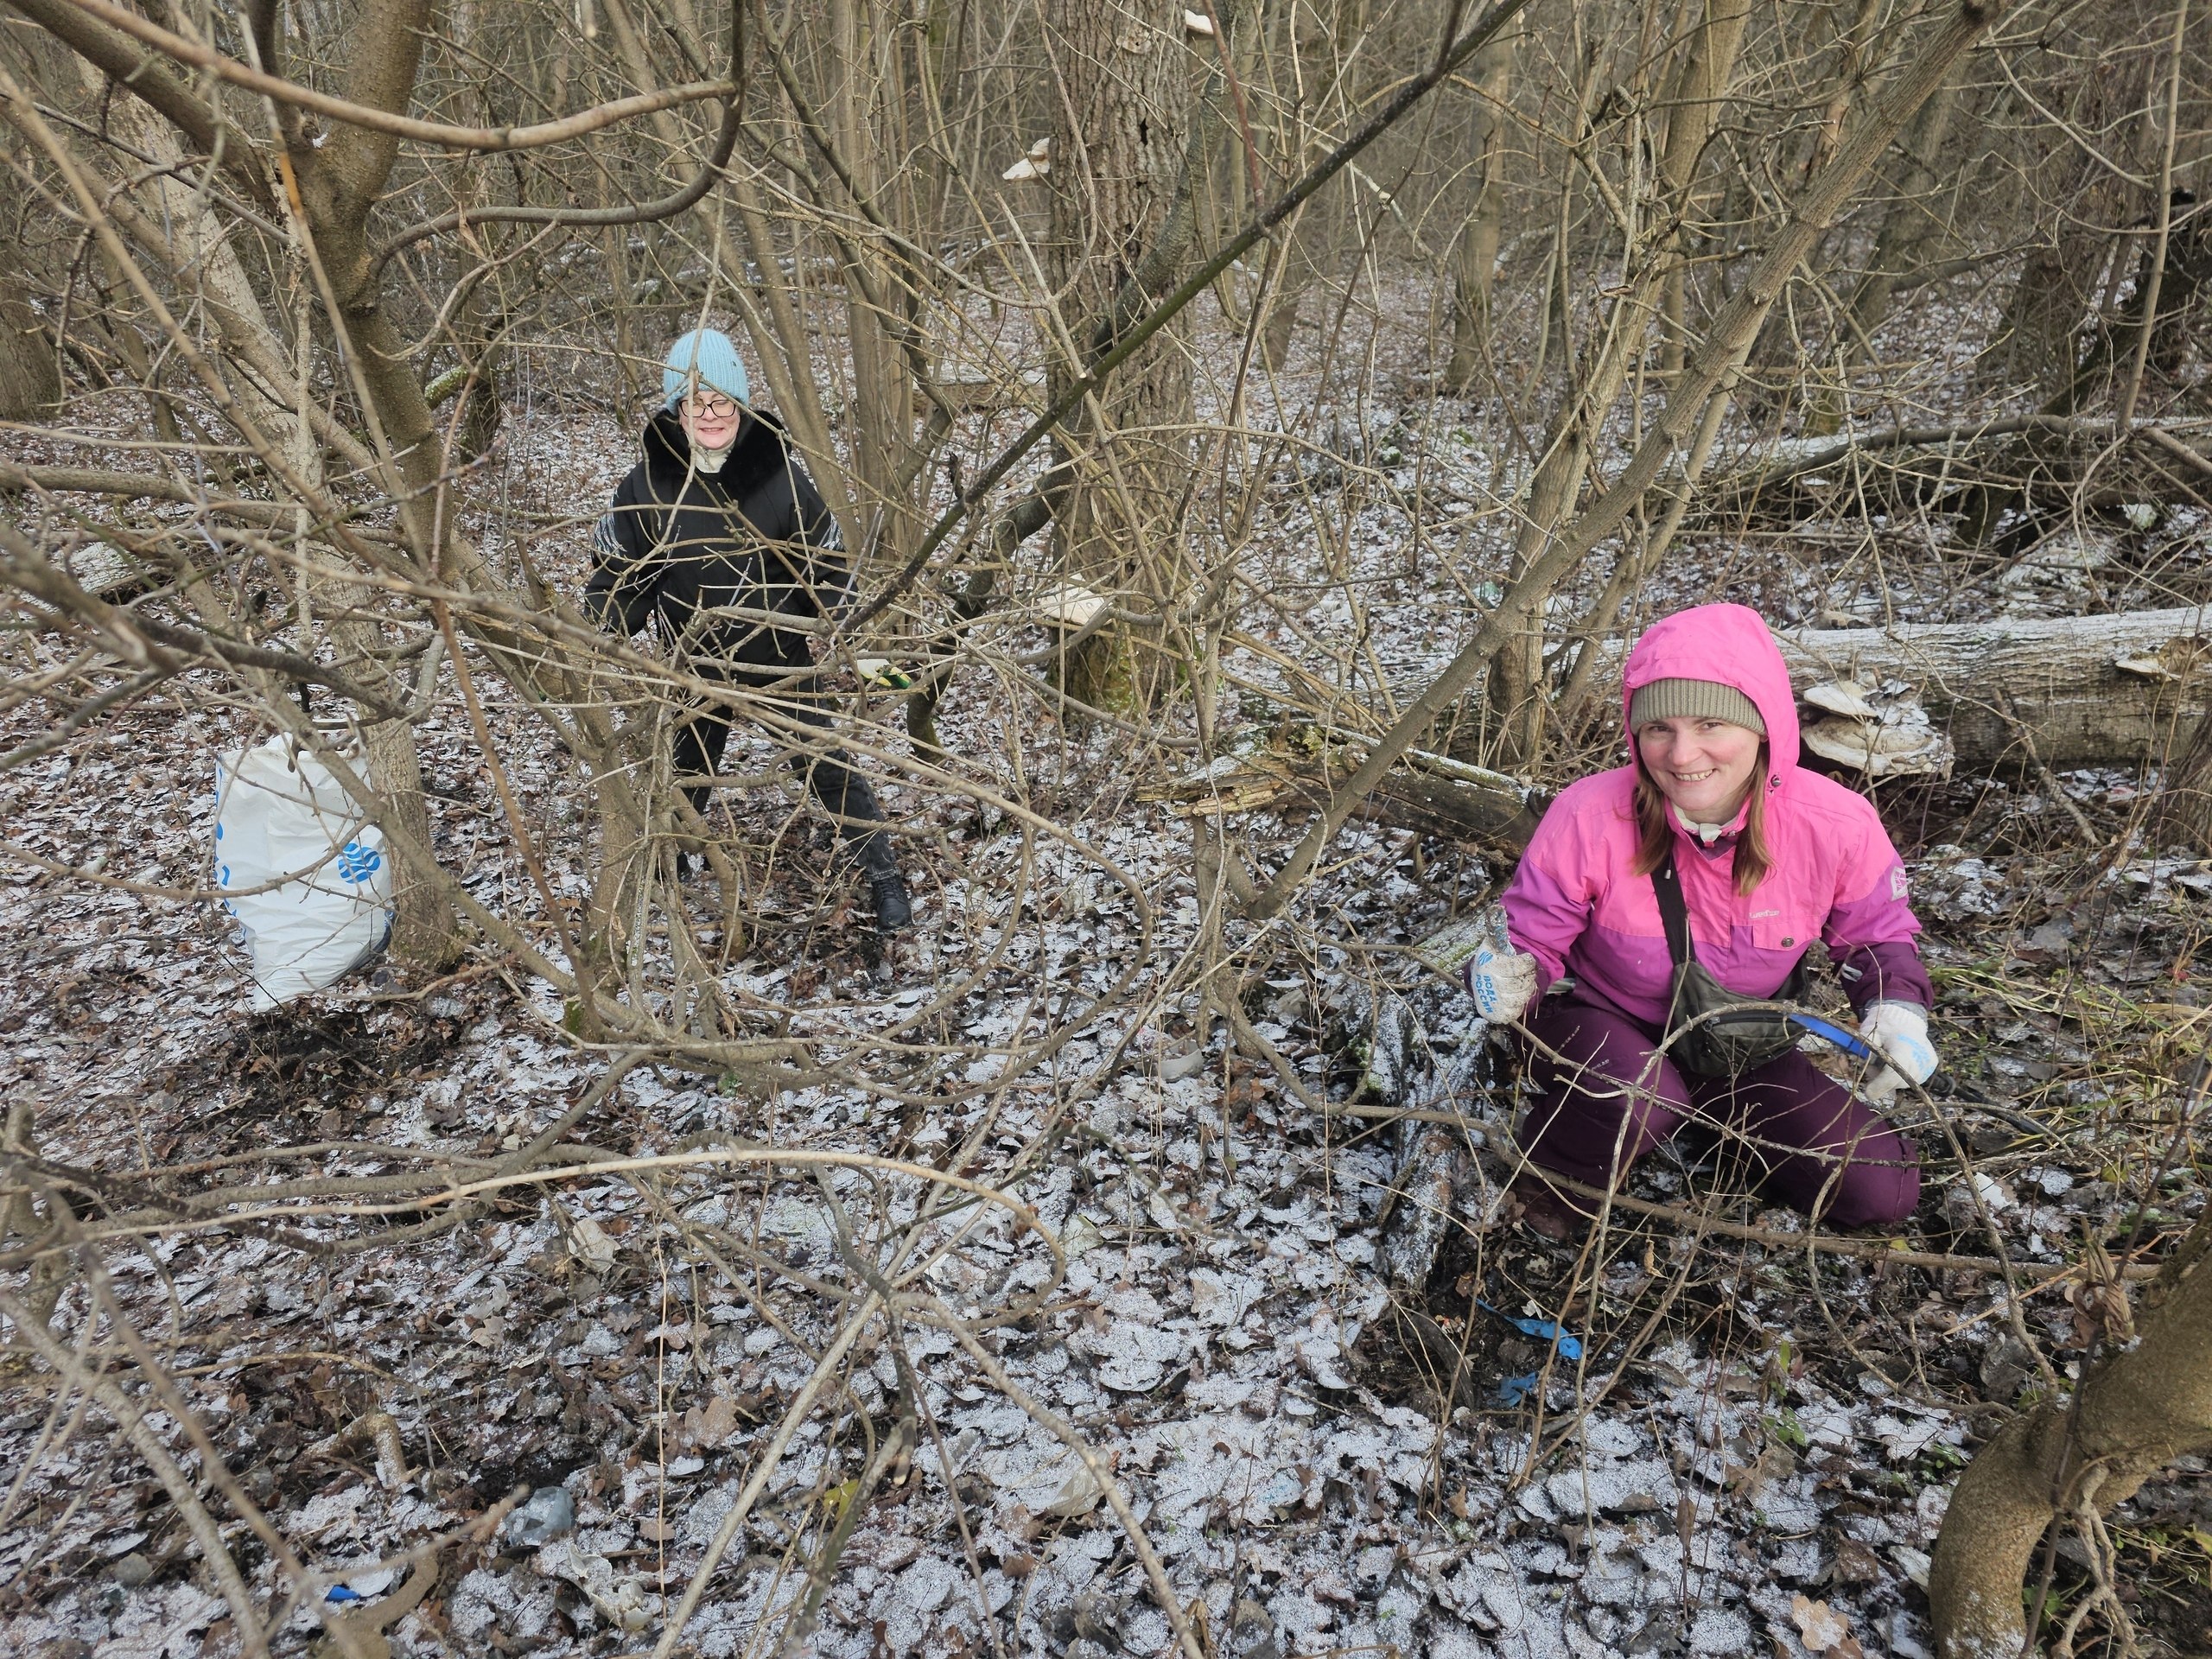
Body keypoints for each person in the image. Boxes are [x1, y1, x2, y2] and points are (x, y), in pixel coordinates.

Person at [1463, 603, 1936, 1238]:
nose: (1683, 755)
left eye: (1711, 723)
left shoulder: (1835, 824)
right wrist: (1512, 973)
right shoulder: (1589, 815)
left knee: (1881, 1191)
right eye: (1658, 728)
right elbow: (1531, 937)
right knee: (1638, 1093)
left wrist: (1895, 1011)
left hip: (1736, 1041)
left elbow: (1877, 935)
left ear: (1764, 727)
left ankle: (1712, 1125)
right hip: (1599, 1021)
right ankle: (1552, 1184)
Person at [588, 328, 912, 931]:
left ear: (740, 404)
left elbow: (829, 572)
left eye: (722, 403)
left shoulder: (782, 478)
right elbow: (617, 581)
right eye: (695, 404)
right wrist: (599, 625)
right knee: (681, 777)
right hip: (689, 665)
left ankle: (884, 876)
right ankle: (669, 871)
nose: (711, 416)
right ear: (675, 412)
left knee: (827, 763)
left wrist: (861, 646)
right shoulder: (646, 488)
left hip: (776, 659)